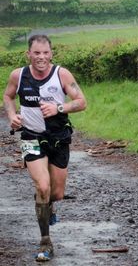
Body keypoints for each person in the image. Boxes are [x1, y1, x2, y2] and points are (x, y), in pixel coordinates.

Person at [3, 35, 87, 262]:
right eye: (36, 53)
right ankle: (45, 242)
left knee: (56, 193)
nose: (41, 57)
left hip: (59, 138)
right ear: (28, 54)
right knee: (42, 186)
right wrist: (12, 115)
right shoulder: (18, 75)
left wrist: (59, 107)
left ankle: (48, 203)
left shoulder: (62, 74)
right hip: (31, 136)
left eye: (45, 53)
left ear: (51, 53)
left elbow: (81, 101)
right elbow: (8, 96)